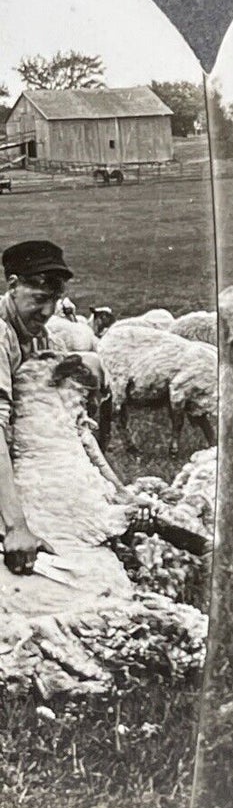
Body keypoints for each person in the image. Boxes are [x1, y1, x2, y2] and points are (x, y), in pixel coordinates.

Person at [0, 240, 69, 573]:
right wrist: (15, 525)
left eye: (54, 301)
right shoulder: (0, 335)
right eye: (39, 299)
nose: (46, 312)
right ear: (13, 286)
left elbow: (67, 418)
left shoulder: (44, 339)